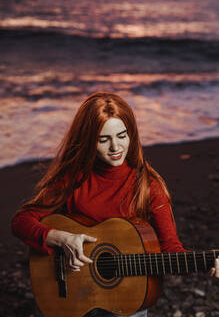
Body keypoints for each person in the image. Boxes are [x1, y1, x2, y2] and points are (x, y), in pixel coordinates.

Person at [11, 92, 219, 317]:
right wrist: (62, 239)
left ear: (132, 133)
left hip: (126, 302)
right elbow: (21, 221)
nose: (115, 147)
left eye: (122, 135)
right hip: (70, 295)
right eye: (103, 139)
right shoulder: (73, 179)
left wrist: (205, 262)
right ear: (89, 140)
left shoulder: (148, 186)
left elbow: (170, 249)